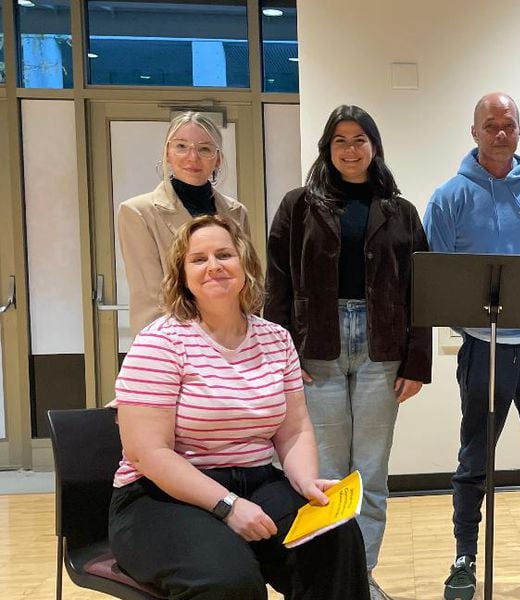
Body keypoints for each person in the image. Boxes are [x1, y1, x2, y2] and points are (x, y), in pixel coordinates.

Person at [107, 215, 368, 599]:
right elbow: (146, 453)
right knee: (229, 581)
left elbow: (293, 428)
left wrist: (305, 481)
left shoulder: (276, 338)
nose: (213, 266)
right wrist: (228, 506)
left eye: (224, 254)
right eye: (198, 259)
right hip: (160, 496)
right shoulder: (159, 342)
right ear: (182, 275)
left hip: (257, 480)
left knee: (334, 538)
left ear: (244, 263)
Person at [264, 105, 431, 600]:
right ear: (327, 148)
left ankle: (363, 578)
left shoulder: (400, 211)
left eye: (360, 139)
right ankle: (331, 581)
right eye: (340, 140)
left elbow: (422, 289)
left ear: (374, 146)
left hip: (384, 348)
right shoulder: (298, 206)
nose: (351, 149)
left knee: (372, 473)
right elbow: (277, 285)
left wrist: (417, 361)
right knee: (328, 476)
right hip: (317, 348)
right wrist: (283, 356)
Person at [424, 92, 520, 600]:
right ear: (474, 132)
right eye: (490, 125)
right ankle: (464, 557)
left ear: (519, 130)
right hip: (484, 350)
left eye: (508, 124)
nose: (499, 133)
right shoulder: (449, 197)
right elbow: (439, 276)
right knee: (474, 462)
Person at [118, 111, 249, 335]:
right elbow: (152, 298)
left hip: (232, 339)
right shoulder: (138, 212)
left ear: (218, 159)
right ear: (167, 153)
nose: (192, 157)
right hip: (173, 343)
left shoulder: (237, 213)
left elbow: (244, 285)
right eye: (181, 146)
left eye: (204, 148)